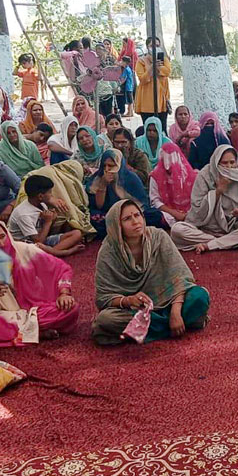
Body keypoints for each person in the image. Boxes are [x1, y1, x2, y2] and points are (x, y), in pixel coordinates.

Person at [92, 200, 210, 345]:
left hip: (169, 303)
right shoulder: (108, 251)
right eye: (127, 219)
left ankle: (144, 330)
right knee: (106, 320)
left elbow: (180, 278)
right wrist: (128, 300)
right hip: (136, 310)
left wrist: (175, 312)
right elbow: (104, 298)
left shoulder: (158, 237)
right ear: (116, 225)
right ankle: (178, 325)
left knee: (199, 295)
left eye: (137, 215)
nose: (136, 221)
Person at [0, 218, 78, 348]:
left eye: (3, 236)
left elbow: (61, 268)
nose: (2, 243)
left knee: (70, 308)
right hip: (5, 318)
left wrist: (64, 293)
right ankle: (35, 334)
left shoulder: (25, 249)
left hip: (37, 311)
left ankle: (23, 335)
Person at [169, 145, 238, 252]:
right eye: (224, 163)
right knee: (177, 230)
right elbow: (197, 211)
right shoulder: (204, 176)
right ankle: (223, 242)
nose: (229, 167)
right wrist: (218, 192)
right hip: (205, 229)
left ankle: (210, 245)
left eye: (232, 162)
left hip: (232, 229)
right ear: (216, 162)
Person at [86, 148, 163, 237]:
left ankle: (121, 228)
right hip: (109, 214)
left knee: (154, 215)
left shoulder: (131, 178)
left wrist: (125, 215)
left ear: (120, 165)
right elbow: (99, 206)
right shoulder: (97, 179)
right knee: (95, 219)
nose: (107, 169)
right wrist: (103, 185)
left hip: (130, 214)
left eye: (111, 166)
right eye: (104, 166)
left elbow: (141, 205)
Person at [7, 174, 86, 257]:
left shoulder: (42, 205)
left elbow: (46, 233)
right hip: (27, 245)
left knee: (77, 233)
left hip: (42, 240)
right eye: (50, 192)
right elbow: (38, 241)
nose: (51, 195)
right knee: (41, 246)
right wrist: (48, 222)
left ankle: (50, 253)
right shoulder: (23, 214)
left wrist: (52, 219)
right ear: (40, 196)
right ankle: (54, 254)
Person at [150, 142, 197, 228]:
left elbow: (197, 198)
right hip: (169, 213)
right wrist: (174, 213)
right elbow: (155, 200)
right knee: (154, 217)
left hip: (190, 212)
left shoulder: (189, 174)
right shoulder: (155, 175)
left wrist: (187, 214)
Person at [135, 39, 171, 126]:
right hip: (146, 101)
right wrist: (151, 67)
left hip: (161, 101)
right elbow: (142, 79)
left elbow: (167, 72)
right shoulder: (141, 61)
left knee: (162, 129)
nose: (155, 48)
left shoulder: (164, 60)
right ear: (147, 47)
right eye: (152, 46)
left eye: (157, 46)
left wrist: (158, 66)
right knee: (148, 128)